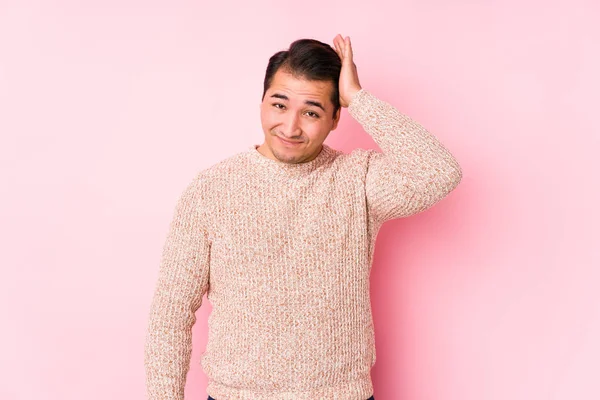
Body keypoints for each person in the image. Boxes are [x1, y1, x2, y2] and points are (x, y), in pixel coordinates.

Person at [144, 34, 462, 400]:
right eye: (279, 105)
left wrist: (359, 98)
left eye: (311, 112)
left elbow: (439, 172)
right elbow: (171, 314)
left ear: (335, 117)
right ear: (262, 102)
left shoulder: (358, 180)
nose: (291, 127)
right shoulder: (211, 189)